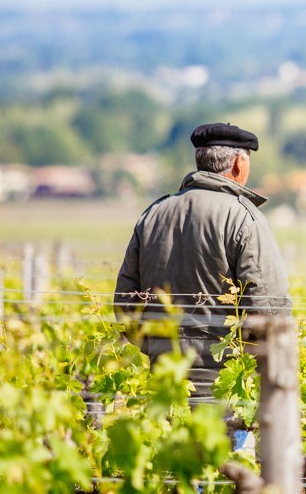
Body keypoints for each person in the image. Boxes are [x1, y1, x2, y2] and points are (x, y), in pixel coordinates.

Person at [113, 122, 292, 399]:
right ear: (237, 165)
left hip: (162, 380)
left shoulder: (154, 214)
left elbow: (126, 300)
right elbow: (269, 308)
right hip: (223, 383)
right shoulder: (243, 217)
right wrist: (251, 362)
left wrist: (155, 347)